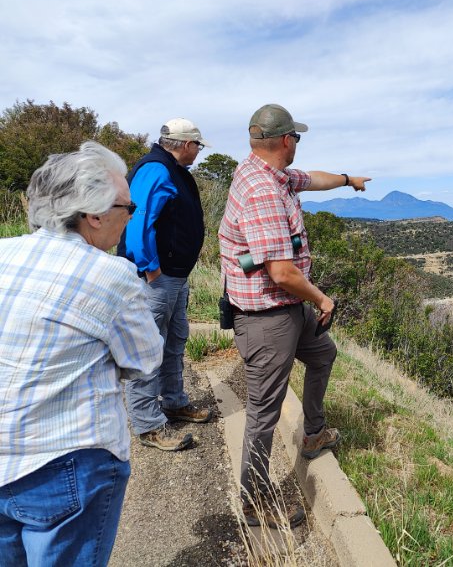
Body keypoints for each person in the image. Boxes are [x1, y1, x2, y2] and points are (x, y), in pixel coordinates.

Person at [0, 142, 163, 566]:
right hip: (64, 462)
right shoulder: (112, 276)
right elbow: (145, 361)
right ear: (94, 215)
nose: (131, 218)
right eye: (128, 208)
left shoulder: (3, 252)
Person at [219, 104, 371, 528]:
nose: (299, 143)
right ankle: (253, 502)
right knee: (263, 414)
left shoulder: (271, 173)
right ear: (286, 140)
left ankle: (312, 434)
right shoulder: (264, 191)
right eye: (297, 137)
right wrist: (323, 299)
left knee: (323, 354)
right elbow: (281, 272)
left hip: (286, 311)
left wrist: (347, 180)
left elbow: (313, 179)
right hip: (268, 318)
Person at [118, 118, 214, 452]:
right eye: (198, 146)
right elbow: (138, 220)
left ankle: (174, 402)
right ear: (186, 144)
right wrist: (151, 269)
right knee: (148, 349)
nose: (198, 153)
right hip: (157, 278)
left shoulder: (170, 169)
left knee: (174, 343)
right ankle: (147, 425)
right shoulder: (156, 170)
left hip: (174, 277)